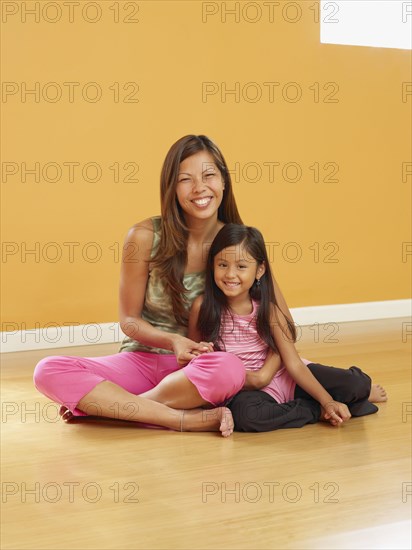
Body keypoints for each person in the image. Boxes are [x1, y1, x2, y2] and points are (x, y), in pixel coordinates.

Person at [34, 134, 255, 436]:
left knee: (230, 368)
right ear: (171, 188)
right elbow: (129, 321)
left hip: (195, 372)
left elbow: (268, 313)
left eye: (208, 175)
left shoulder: (238, 242)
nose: (199, 188)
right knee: (48, 370)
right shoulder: (143, 236)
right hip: (139, 361)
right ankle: (180, 419)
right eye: (185, 179)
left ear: (224, 181)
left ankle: (117, 410)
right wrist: (173, 341)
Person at [185, 223, 387, 432]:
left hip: (286, 377)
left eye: (241, 266)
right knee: (247, 417)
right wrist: (323, 406)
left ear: (259, 270)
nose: (230, 274)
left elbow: (294, 365)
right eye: (222, 265)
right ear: (212, 266)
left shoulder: (267, 310)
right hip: (245, 389)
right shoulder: (202, 307)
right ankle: (315, 410)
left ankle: (352, 395)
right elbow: (194, 360)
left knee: (356, 385)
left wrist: (328, 401)